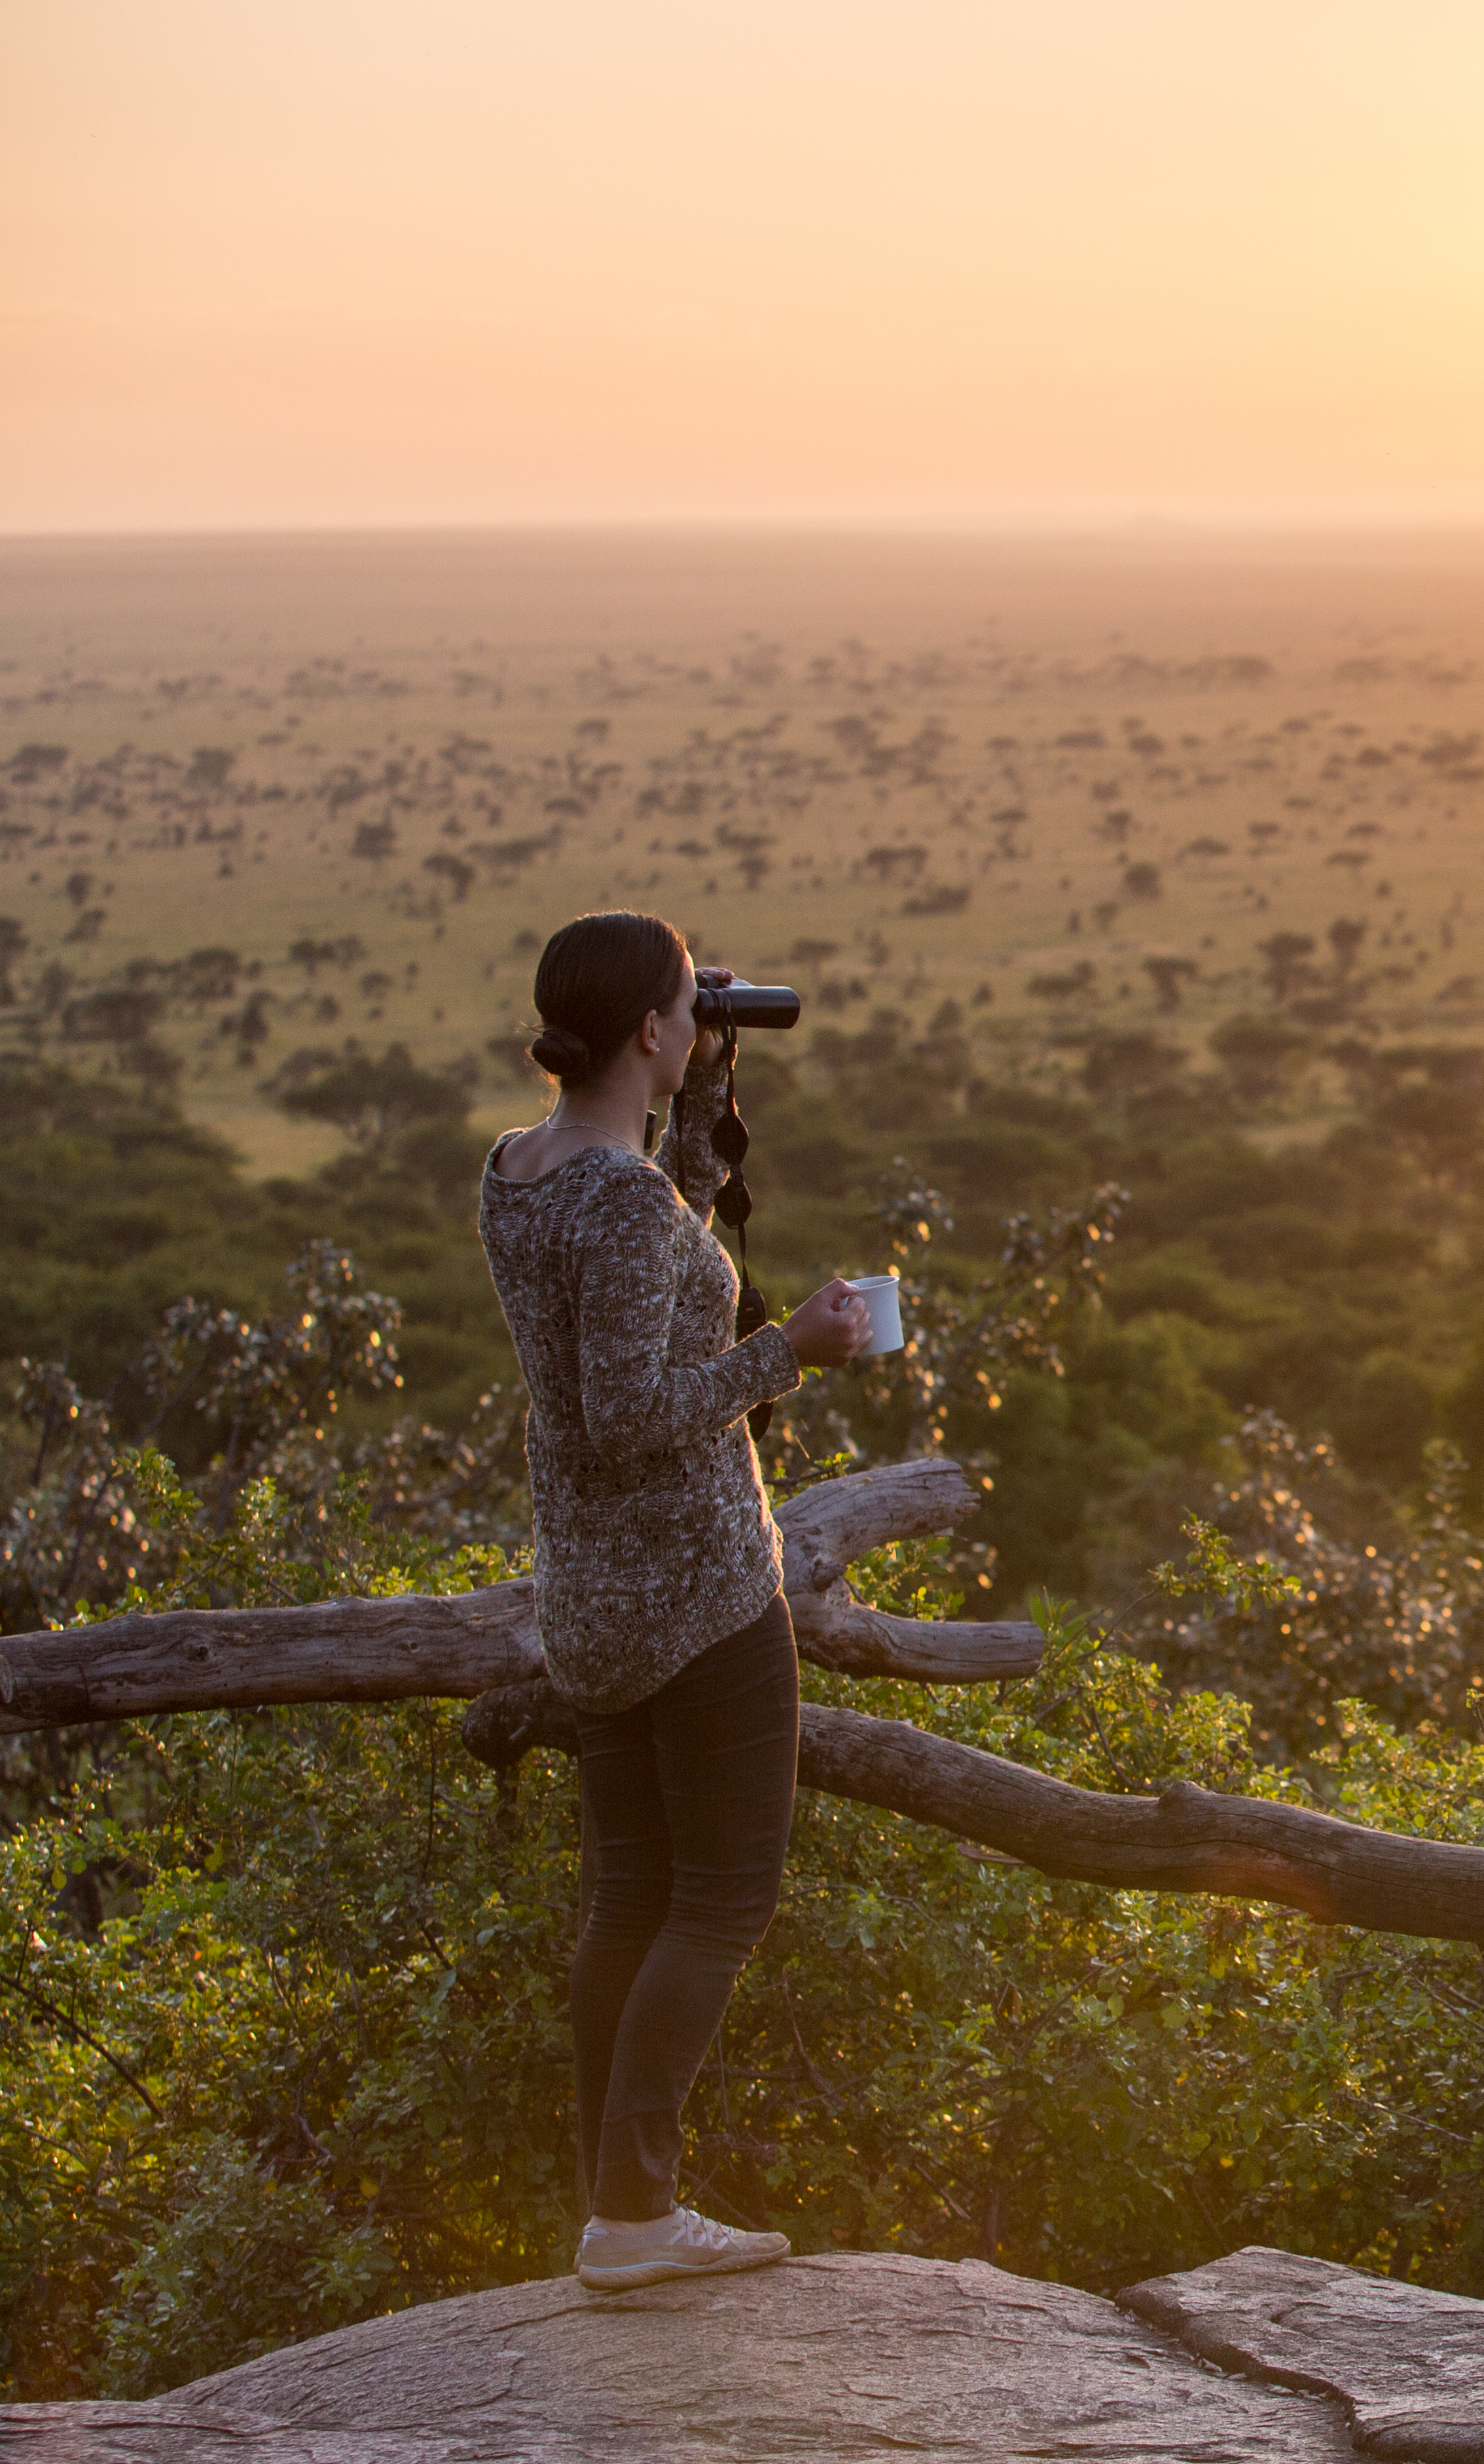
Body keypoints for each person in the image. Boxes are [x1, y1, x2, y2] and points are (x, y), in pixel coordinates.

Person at [479, 910, 871, 2290]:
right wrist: (793, 1350)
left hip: (589, 1598)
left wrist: (696, 1093)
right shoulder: (622, 1203)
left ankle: (616, 2206)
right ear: (649, 1028)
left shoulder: (520, 1174)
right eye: (683, 1016)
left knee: (627, 1897)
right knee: (721, 1903)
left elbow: (649, 1261)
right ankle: (638, 2214)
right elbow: (632, 1404)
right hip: (698, 1596)